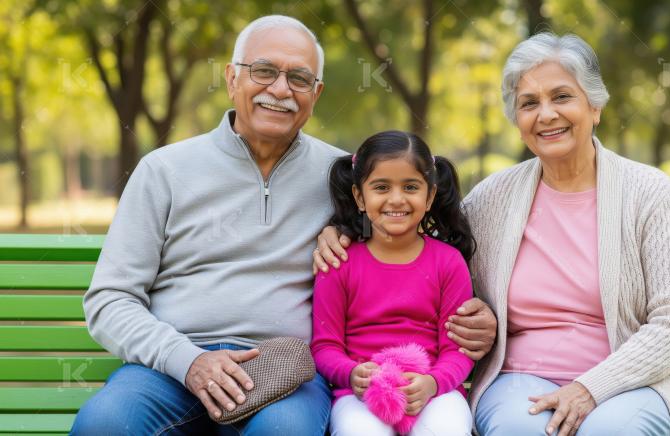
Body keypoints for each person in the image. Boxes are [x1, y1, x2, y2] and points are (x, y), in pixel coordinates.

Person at [71, 14, 493, 436]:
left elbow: (410, 234)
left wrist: (484, 319)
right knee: (104, 425)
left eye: (299, 78)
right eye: (264, 71)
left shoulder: (346, 178)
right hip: (170, 367)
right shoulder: (163, 170)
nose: (280, 89)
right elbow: (110, 299)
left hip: (289, 371)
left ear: (317, 93)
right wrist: (187, 360)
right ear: (231, 77)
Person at [465, 32, 670, 435]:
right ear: (517, 120)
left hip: (635, 382)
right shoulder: (490, 199)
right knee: (521, 429)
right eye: (529, 103)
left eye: (562, 97)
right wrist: (345, 233)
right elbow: (424, 252)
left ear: (594, 105)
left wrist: (589, 388)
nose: (546, 114)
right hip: (519, 378)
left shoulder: (649, 192)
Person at [311, 131, 475, 436]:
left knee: (447, 429)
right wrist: (351, 374)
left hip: (434, 389)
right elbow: (325, 345)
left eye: (410, 187)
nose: (396, 199)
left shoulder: (448, 262)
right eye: (381, 187)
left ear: (429, 197)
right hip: (359, 393)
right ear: (360, 197)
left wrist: (433, 383)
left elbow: (457, 349)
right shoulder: (338, 263)